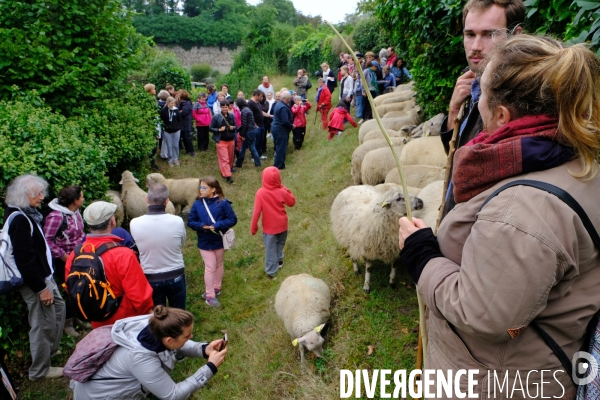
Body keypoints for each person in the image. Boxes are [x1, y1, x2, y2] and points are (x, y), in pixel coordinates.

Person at [399, 34, 600, 399]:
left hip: (495, 382)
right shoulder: (577, 160)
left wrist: (421, 256)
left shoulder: (521, 212)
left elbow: (484, 314)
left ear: (501, 114)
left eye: (482, 97)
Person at [439, 0, 525, 217]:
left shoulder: (521, 98)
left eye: (489, 34)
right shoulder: (473, 85)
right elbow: (460, 155)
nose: (476, 46)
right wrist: (453, 111)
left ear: (515, 34)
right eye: (470, 34)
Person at [69, 306, 228, 399]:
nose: (191, 337)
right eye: (188, 335)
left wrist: (203, 349)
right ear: (169, 341)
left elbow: (177, 343)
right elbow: (173, 395)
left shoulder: (155, 324)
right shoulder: (140, 359)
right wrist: (210, 368)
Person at [3, 174, 66, 380]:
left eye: (42, 192)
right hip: (36, 282)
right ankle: (39, 370)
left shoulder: (27, 212)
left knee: (58, 309)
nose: (42, 197)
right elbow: (25, 260)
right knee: (41, 323)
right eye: (37, 193)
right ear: (23, 196)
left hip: (44, 276)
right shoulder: (19, 219)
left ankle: (51, 353)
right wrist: (40, 288)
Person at [65, 201, 154, 329]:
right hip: (127, 323)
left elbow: (72, 288)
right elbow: (139, 296)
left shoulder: (75, 254)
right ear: (112, 221)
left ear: (89, 225)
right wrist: (148, 315)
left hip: (97, 321)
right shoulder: (124, 254)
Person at [130, 183, 187, 310]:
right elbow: (181, 243)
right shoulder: (177, 221)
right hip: (175, 274)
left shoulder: (134, 223)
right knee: (178, 314)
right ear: (167, 201)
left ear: (146, 199)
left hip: (150, 276)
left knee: (157, 316)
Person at [43, 185, 86, 338]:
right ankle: (67, 324)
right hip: (64, 261)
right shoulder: (56, 217)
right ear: (74, 200)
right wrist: (63, 255)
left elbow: (80, 232)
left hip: (78, 256)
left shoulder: (75, 212)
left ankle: (77, 317)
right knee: (72, 290)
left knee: (80, 288)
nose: (83, 198)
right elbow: (46, 240)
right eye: (81, 196)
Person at [187, 177, 237, 308]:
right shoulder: (197, 204)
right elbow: (191, 221)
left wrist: (218, 225)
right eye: (200, 187)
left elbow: (232, 219)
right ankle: (210, 296)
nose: (201, 190)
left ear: (213, 189)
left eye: (204, 187)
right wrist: (202, 226)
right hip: (204, 241)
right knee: (210, 267)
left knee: (219, 264)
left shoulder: (223, 203)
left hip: (219, 239)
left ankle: (216, 287)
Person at [251, 167, 296, 279]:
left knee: (270, 249)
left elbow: (256, 212)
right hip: (282, 225)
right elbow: (292, 202)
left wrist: (254, 226)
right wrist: (282, 187)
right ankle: (279, 260)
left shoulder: (260, 193)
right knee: (280, 243)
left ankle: (271, 272)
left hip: (269, 228)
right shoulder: (281, 191)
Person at [209, 100, 237, 184]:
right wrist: (218, 129)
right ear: (220, 107)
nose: (225, 108)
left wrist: (233, 127)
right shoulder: (216, 117)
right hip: (221, 141)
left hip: (231, 140)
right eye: (223, 107)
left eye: (226, 107)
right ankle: (228, 176)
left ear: (228, 107)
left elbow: (236, 126)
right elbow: (210, 128)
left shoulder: (232, 115)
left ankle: (224, 171)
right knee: (225, 159)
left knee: (231, 158)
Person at [234, 98, 261, 168]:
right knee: (252, 147)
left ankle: (239, 163)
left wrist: (242, 134)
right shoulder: (248, 109)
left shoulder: (243, 111)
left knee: (244, 148)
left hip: (249, 131)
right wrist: (237, 129)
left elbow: (245, 124)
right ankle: (257, 163)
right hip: (253, 130)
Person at [271, 91, 295, 170]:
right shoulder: (283, 108)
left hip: (276, 129)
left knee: (279, 147)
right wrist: (291, 126)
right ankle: (278, 166)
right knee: (281, 149)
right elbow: (285, 121)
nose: (290, 99)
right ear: (287, 98)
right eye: (290, 98)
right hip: (281, 130)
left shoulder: (278, 104)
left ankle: (281, 164)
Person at [160, 96, 182, 167]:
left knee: (175, 145)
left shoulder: (176, 110)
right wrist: (165, 127)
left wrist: (178, 127)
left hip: (176, 131)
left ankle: (176, 159)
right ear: (168, 103)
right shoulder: (163, 111)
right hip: (167, 131)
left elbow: (179, 120)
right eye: (171, 103)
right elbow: (161, 120)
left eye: (174, 103)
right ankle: (170, 160)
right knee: (169, 146)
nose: (173, 105)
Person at [247, 90, 267, 160]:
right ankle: (254, 156)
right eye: (260, 96)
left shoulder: (258, 102)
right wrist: (255, 125)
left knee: (261, 140)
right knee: (256, 141)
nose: (261, 98)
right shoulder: (250, 103)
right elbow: (250, 115)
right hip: (256, 126)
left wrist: (269, 115)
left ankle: (259, 154)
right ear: (256, 95)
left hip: (261, 124)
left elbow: (260, 111)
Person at [157, 90, 170, 159]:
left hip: (159, 122)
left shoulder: (157, 104)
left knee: (161, 138)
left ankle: (161, 149)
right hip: (166, 123)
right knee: (166, 139)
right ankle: (165, 154)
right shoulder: (167, 106)